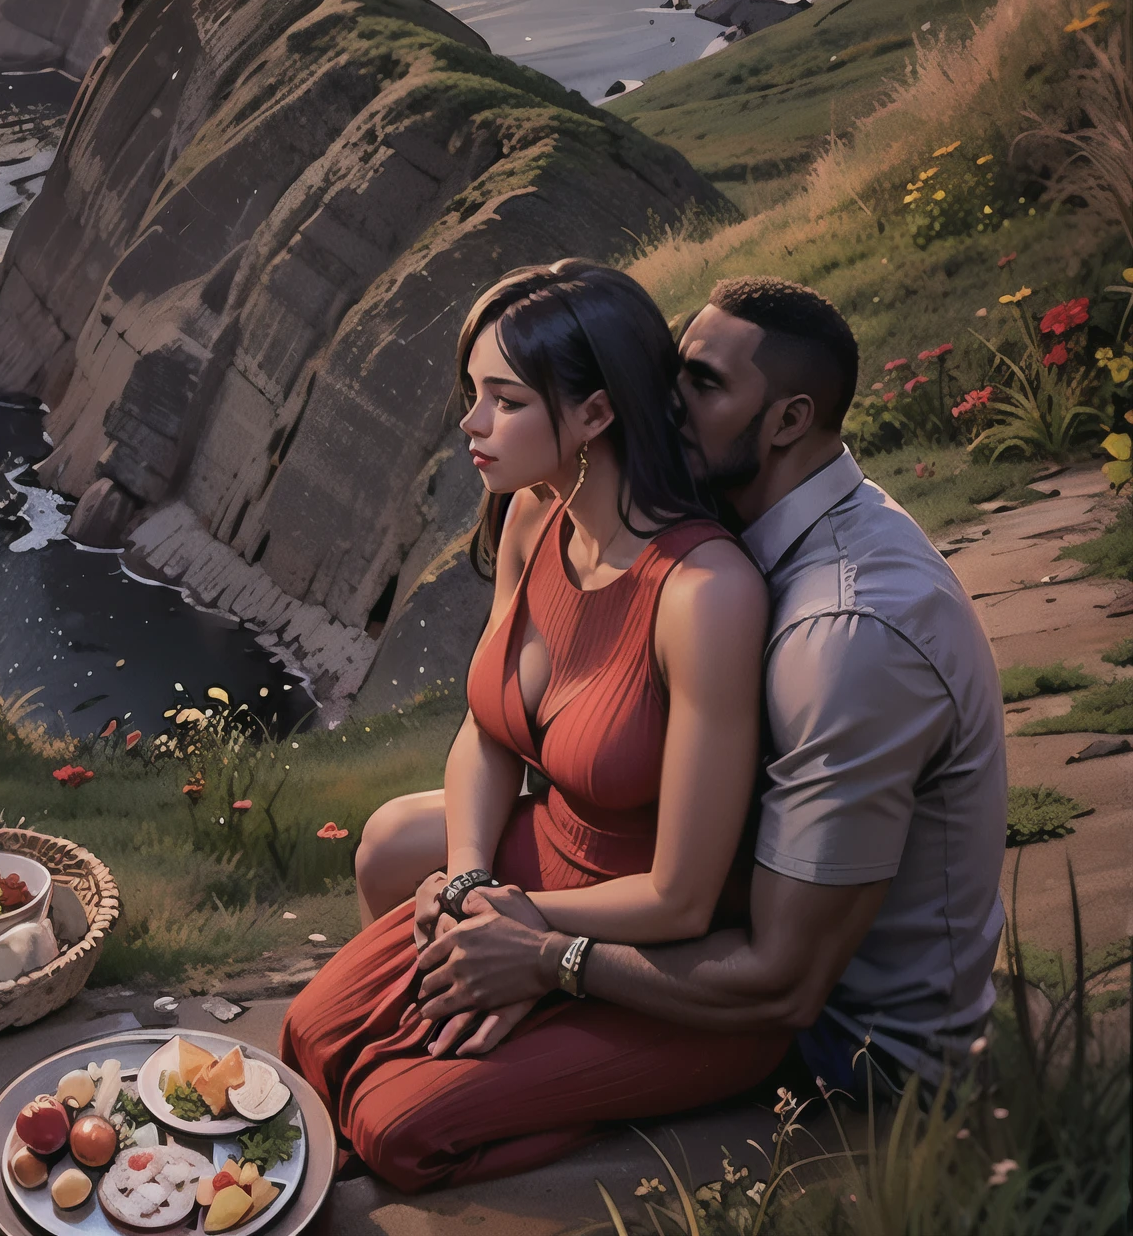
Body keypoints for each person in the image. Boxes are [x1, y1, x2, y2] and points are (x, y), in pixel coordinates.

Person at [409, 275, 1008, 1104]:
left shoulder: (845, 634)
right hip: (721, 908)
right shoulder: (743, 516)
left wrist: (545, 956)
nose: (662, 398)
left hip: (848, 1043)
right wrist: (481, 891)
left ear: (791, 420)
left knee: (412, 1103)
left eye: (705, 383)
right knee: (398, 845)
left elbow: (781, 980)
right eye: (673, 367)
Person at [280, 261, 789, 1192]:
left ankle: (606, 1106)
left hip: (651, 958)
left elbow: (682, 897)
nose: (471, 424)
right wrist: (471, 879)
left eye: (502, 400)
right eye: (472, 394)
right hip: (521, 883)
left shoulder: (707, 594)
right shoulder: (529, 518)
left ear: (596, 414)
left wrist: (525, 941)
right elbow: (488, 732)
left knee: (394, 1129)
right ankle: (495, 1070)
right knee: (308, 1038)